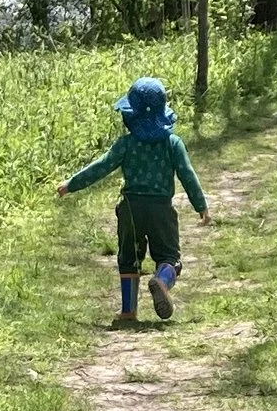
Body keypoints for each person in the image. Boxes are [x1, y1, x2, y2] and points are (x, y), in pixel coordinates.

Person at [57, 75, 210, 324]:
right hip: (161, 209)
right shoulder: (172, 143)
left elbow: (102, 166)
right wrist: (200, 205)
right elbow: (187, 174)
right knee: (170, 257)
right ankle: (162, 280)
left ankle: (129, 311)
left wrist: (71, 184)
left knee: (128, 258)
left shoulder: (127, 144)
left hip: (130, 209)